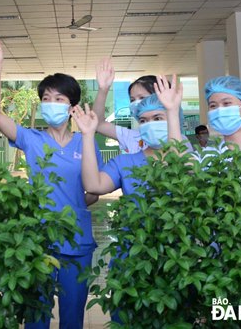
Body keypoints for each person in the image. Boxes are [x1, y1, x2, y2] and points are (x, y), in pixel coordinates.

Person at [0, 37, 100, 329]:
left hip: (77, 240)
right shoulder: (32, 139)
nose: (50, 104)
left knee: (72, 316)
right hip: (37, 240)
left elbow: (94, 188)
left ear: (72, 107)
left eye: (59, 99)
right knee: (36, 316)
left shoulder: (86, 140)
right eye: (46, 99)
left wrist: (75, 205)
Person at [73, 75, 184, 324]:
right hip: (130, 258)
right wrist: (88, 136)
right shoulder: (126, 162)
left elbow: (179, 167)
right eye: (143, 120)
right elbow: (93, 185)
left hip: (177, 258)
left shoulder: (187, 158)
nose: (149, 124)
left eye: (158, 118)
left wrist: (172, 111)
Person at [92, 61, 193, 154]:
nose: (137, 103)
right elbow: (98, 124)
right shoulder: (132, 136)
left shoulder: (180, 141)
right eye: (132, 100)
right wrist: (103, 89)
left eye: (142, 98)